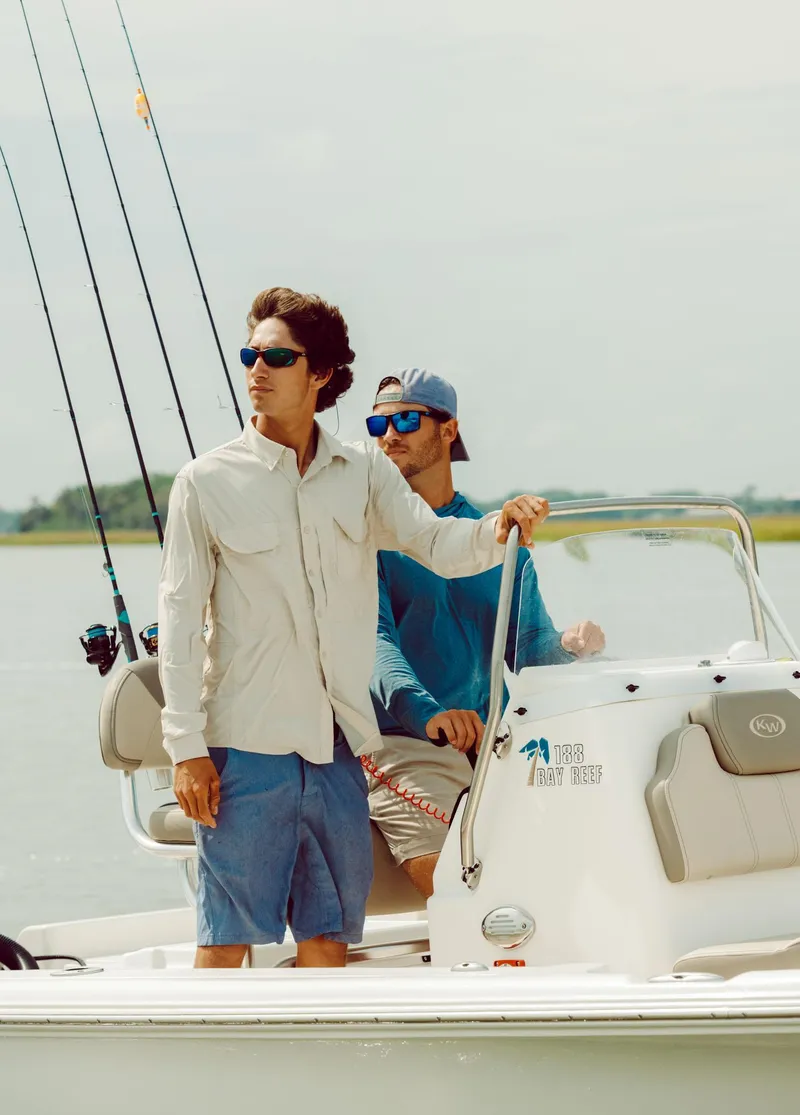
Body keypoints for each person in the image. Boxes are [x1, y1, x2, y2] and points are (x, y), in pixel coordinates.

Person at [157, 290, 550, 970]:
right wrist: (186, 748)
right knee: (225, 939)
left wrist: (500, 528)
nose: (256, 369)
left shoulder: (363, 472)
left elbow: (435, 543)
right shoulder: (205, 481)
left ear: (320, 374)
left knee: (329, 936)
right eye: (250, 355)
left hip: (339, 749)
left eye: (277, 357)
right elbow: (180, 621)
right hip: (243, 750)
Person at [366, 369, 605, 898]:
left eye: (406, 420)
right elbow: (371, 643)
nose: (389, 436)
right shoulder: (368, 535)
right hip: (401, 741)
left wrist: (569, 646)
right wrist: (429, 714)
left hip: (493, 743)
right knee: (463, 890)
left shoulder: (495, 536)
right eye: (378, 424)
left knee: (584, 857)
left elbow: (529, 647)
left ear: (449, 429)